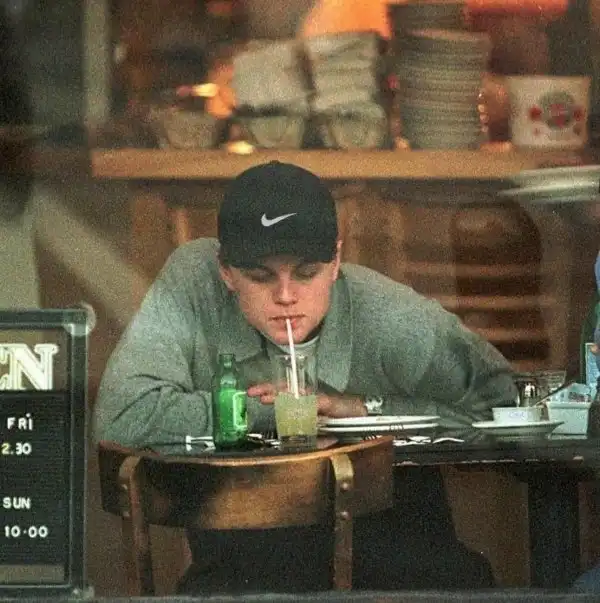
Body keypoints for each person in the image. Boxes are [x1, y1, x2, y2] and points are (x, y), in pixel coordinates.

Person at [95, 160, 518, 594]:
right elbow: (122, 417)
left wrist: (366, 410)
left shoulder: (391, 319)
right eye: (260, 276)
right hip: (242, 571)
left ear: (336, 261)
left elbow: (505, 403)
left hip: (399, 568)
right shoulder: (196, 283)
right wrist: (274, 412)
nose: (285, 296)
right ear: (226, 271)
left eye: (306, 273)